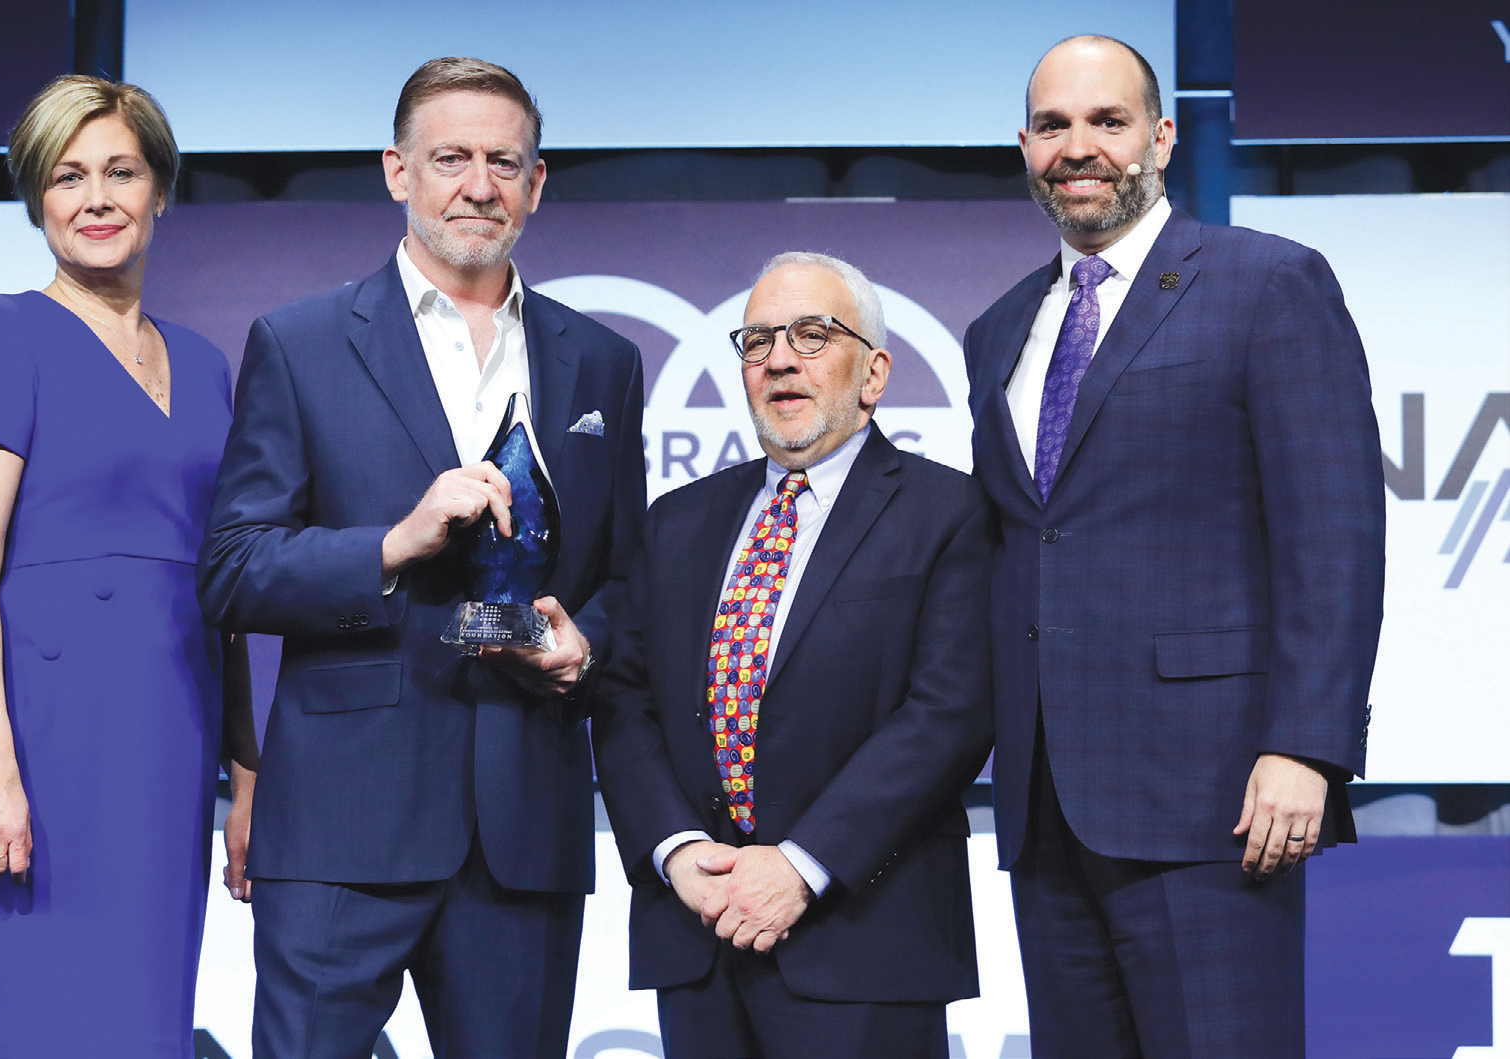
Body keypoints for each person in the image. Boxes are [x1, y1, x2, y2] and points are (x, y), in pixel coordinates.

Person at [198, 57, 647, 1058]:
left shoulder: (604, 362)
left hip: (524, 820)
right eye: (451, 158)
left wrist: (581, 644)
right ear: (398, 172)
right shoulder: (301, 342)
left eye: (503, 161)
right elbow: (232, 569)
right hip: (341, 823)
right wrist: (394, 544)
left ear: (537, 184)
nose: (477, 185)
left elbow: (627, 574)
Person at [963, 35, 1386, 1057]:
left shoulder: (1267, 283)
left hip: (1215, 796)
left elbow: (1333, 528)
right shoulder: (999, 328)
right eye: (1055, 126)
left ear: (1160, 137)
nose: (1079, 148)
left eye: (1107, 122)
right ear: (1024, 146)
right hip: (1045, 802)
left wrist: (1307, 746)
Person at [0, 74, 257, 1058]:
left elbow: (228, 582)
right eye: (68, 177)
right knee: (48, 1017)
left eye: (121, 171)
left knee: (146, 1018)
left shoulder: (203, 364)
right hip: (51, 737)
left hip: (172, 731)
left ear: (161, 189)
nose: (97, 198)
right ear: (37, 199)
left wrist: (248, 773)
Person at [593, 252, 993, 1059]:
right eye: (758, 340)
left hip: (864, 937)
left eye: (812, 335)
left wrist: (803, 863)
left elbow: (948, 713)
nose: (779, 357)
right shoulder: (676, 522)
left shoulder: (949, 511)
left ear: (874, 373)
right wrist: (676, 851)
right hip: (697, 934)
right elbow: (623, 698)